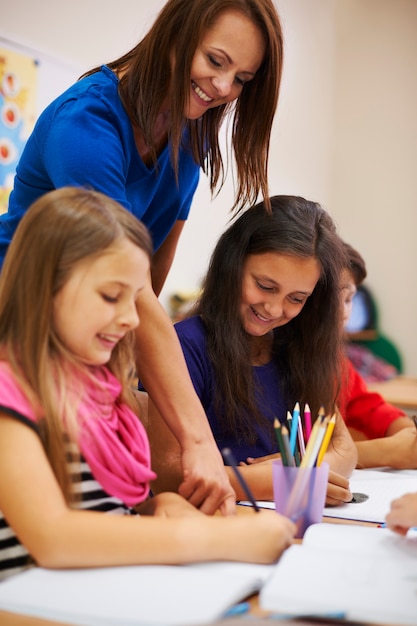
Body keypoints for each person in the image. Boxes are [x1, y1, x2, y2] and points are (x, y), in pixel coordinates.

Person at [0, 0, 284, 516]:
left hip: (86, 335)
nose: (223, 89)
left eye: (241, 78)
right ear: (176, 33)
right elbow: (126, 287)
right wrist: (197, 440)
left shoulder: (191, 133)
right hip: (18, 326)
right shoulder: (86, 123)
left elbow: (145, 285)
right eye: (215, 61)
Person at [0, 187, 296, 581]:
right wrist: (223, 539)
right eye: (111, 296)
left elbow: (108, 516)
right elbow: (54, 538)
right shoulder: (10, 397)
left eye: (135, 299)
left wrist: (159, 508)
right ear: (44, 285)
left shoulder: (103, 397)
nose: (132, 319)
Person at [146, 195, 358, 507]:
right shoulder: (184, 346)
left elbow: (344, 448)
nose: (274, 309)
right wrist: (278, 481)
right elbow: (167, 474)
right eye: (265, 286)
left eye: (297, 298)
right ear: (233, 264)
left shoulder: (298, 349)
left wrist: (294, 473)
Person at [338, 242, 417, 469]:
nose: (343, 312)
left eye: (348, 299)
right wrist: (386, 452)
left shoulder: (334, 362)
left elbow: (368, 407)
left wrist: (406, 432)